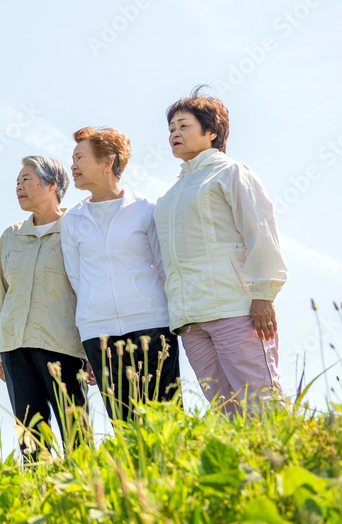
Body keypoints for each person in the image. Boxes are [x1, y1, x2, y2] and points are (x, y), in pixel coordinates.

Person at [153, 86, 287, 412]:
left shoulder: (231, 172)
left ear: (211, 131)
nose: (175, 133)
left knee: (261, 401)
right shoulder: (168, 196)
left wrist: (263, 295)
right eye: (171, 128)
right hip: (190, 320)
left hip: (235, 308)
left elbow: (261, 232)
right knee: (224, 409)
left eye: (184, 126)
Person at [61, 127, 181, 422]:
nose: (73, 166)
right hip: (98, 331)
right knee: (124, 421)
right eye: (72, 159)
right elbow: (76, 278)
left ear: (108, 162)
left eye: (80, 158)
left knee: (167, 417)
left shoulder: (145, 209)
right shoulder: (72, 220)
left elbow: (164, 268)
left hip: (152, 323)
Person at [0, 156, 91, 457]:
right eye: (17, 182)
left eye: (26, 180)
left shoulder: (75, 229)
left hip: (62, 345)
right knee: (29, 436)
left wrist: (91, 350)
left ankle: (86, 482)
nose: (18, 187)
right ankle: (37, 482)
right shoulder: (11, 236)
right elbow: (0, 295)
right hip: (14, 347)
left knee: (76, 431)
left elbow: (89, 291)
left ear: (51, 185)